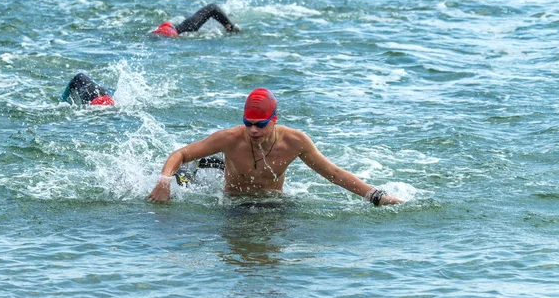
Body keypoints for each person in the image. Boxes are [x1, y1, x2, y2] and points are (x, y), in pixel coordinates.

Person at [148, 88, 404, 206]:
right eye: (248, 123)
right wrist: (162, 181)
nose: (253, 130)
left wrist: (376, 196)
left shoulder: (294, 142)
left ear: (274, 120)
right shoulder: (229, 138)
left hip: (272, 201)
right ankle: (199, 169)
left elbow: (334, 174)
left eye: (260, 125)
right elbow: (181, 153)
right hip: (232, 201)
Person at [152, 3, 240, 37]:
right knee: (213, 8)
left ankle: (229, 27)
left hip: (170, 32)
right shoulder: (169, 31)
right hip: (177, 30)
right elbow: (214, 8)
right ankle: (230, 28)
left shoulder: (156, 33)